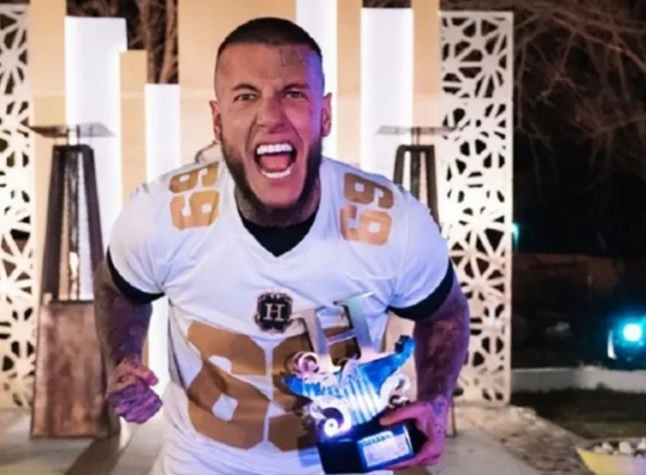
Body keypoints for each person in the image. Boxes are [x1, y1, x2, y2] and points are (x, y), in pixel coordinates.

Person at [94, 16, 470, 475]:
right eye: (245, 96)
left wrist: (435, 399)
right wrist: (124, 359)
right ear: (217, 120)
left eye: (293, 94)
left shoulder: (396, 223)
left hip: (347, 463)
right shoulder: (159, 214)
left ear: (325, 115)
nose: (270, 117)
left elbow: (445, 313)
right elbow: (118, 289)